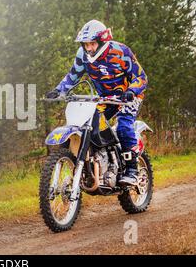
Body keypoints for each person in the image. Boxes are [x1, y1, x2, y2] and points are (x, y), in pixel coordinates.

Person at [46, 20, 148, 186]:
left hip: (129, 96)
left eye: (92, 44)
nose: (89, 48)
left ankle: (132, 170)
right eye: (86, 44)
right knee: (90, 124)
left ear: (102, 41)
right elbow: (73, 76)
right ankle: (98, 162)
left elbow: (141, 78)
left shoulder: (121, 52)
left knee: (123, 126)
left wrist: (131, 92)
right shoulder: (82, 55)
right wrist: (59, 90)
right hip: (104, 98)